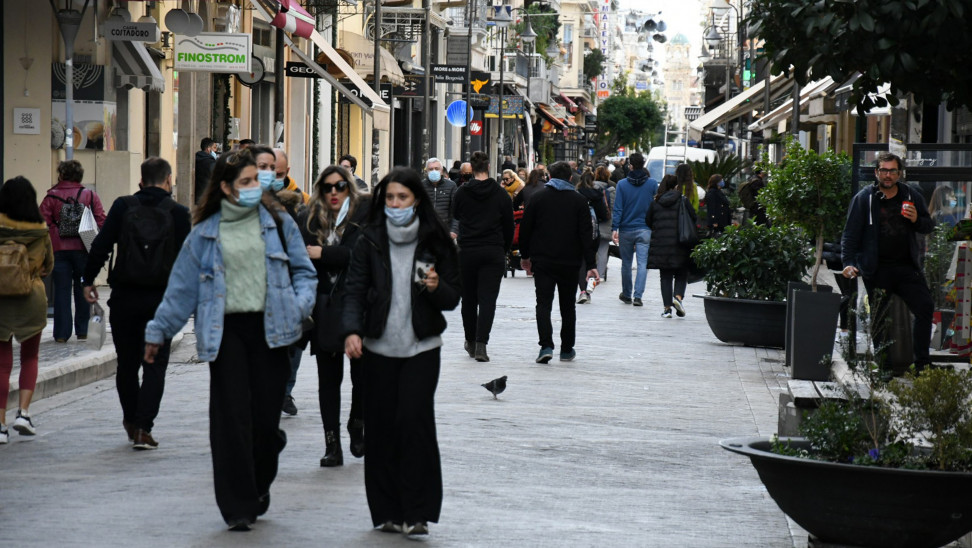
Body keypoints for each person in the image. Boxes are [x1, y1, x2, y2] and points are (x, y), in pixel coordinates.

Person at [143, 149, 317, 530]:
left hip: (273, 330)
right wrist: (158, 332)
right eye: (247, 181)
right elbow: (181, 289)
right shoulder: (205, 231)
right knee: (231, 421)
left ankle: (260, 474)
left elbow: (305, 272)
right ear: (225, 187)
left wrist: (299, 305)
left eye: (257, 179)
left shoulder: (279, 222)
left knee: (264, 425)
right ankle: (238, 505)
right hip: (226, 334)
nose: (256, 186)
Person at [342, 167, 460, 537]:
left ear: (416, 201)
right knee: (381, 428)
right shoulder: (369, 239)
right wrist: (351, 331)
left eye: (402, 198)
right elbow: (354, 288)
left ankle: (418, 511)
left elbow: (452, 299)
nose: (395, 204)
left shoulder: (435, 242)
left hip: (422, 346)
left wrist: (437, 286)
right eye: (390, 198)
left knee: (414, 423)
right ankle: (387, 510)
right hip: (377, 346)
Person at [82, 158, 191, 449]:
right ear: (169, 180)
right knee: (155, 365)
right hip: (162, 302)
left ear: (141, 181)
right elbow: (189, 261)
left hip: (125, 299)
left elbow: (101, 245)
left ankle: (131, 421)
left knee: (127, 365)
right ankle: (144, 427)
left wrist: (88, 280)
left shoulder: (123, 206)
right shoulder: (179, 213)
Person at [297, 165, 370, 467]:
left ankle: (357, 422)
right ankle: (332, 444)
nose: (333, 192)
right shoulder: (309, 218)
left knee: (362, 376)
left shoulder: (363, 216)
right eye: (327, 187)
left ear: (349, 187)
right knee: (329, 381)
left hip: (357, 305)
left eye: (340, 186)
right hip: (324, 307)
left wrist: (322, 254)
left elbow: (358, 256)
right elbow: (302, 257)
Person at [841, 152, 935, 372]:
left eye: (892, 170)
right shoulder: (865, 198)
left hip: (906, 267)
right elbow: (850, 235)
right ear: (876, 173)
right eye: (884, 170)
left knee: (925, 307)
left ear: (899, 173)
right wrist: (848, 262)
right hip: (877, 268)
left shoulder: (911, 195)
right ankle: (885, 368)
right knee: (880, 318)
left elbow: (927, 226)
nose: (888, 175)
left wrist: (915, 219)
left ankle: (921, 364)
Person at [519, 161, 598, 364]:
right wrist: (591, 264)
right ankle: (566, 348)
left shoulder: (537, 198)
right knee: (567, 306)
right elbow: (585, 235)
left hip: (543, 260)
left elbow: (525, 229)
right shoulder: (579, 201)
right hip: (570, 262)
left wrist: (525, 256)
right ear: (570, 178)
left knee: (543, 304)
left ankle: (546, 346)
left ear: (550, 177)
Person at [0, 177, 54, 443]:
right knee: (30, 357)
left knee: (1, 363)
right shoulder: (40, 231)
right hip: (30, 298)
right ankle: (23, 413)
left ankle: (0, 425)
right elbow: (48, 266)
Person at [453, 151, 515, 362]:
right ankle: (481, 344)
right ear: (488, 167)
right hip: (492, 250)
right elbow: (509, 225)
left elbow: (456, 215)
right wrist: (504, 249)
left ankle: (469, 340)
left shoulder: (462, 192)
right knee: (488, 300)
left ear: (471, 168)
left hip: (468, 250)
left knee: (468, 299)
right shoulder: (501, 194)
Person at [40, 160, 107, 342]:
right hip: (84, 249)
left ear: (61, 175)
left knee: (61, 290)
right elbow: (101, 221)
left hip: (58, 249)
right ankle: (83, 330)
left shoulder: (51, 197)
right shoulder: (90, 196)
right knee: (82, 287)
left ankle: (61, 334)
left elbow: (41, 223)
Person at [611, 152, 658, 307]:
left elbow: (618, 208)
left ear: (630, 165)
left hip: (626, 228)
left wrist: (615, 227)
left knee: (626, 263)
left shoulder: (622, 185)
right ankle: (638, 296)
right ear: (643, 165)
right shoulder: (652, 184)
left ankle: (626, 294)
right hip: (645, 228)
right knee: (642, 263)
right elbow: (655, 207)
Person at [646, 174, 695, 318]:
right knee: (681, 273)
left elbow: (648, 220)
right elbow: (693, 217)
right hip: (680, 242)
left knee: (665, 277)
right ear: (675, 186)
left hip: (661, 245)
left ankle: (667, 309)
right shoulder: (683, 200)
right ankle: (678, 297)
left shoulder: (656, 202)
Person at [575, 169, 608, 304]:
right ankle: (589, 289)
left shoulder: (576, 193)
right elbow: (603, 214)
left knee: (581, 261)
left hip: (578, 231)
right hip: (594, 232)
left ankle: (582, 291)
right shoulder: (598, 194)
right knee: (591, 260)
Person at [421, 157, 458, 238]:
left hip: (445, 232)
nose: (434, 171)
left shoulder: (451, 186)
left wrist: (454, 230)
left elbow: (456, 210)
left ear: (441, 171)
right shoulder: (421, 186)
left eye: (436, 168)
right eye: (431, 169)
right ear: (426, 171)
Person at [592, 166, 615, 281]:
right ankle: (600, 275)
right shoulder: (612, 191)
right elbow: (614, 209)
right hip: (606, 224)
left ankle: (591, 271)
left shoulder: (590, 189)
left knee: (591, 250)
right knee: (603, 251)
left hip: (592, 224)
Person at [195, 138, 218, 204]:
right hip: (206, 197)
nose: (216, 150)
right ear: (208, 149)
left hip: (197, 194)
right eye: (214, 148)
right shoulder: (210, 162)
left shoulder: (196, 158)